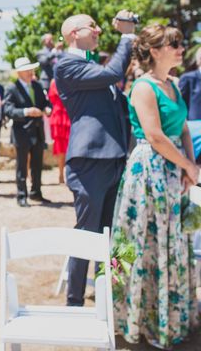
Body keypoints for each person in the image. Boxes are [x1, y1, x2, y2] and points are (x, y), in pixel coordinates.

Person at [112, 24, 199, 348]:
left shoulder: (174, 84)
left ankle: (171, 315)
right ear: (154, 51)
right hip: (150, 171)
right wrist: (187, 165)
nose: (180, 48)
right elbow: (154, 136)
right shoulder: (143, 87)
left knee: (174, 240)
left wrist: (190, 167)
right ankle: (136, 318)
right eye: (172, 43)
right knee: (142, 242)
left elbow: (184, 130)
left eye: (180, 42)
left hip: (175, 170)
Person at [54, 10, 136, 307]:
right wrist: (126, 37)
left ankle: (108, 297)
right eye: (94, 26)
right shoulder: (67, 65)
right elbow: (114, 73)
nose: (100, 30)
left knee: (114, 233)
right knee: (87, 232)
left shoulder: (91, 66)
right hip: (89, 160)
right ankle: (74, 301)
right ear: (74, 32)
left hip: (114, 157)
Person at [4, 57, 52, 207]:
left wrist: (48, 108)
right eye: (28, 70)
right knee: (22, 166)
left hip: (37, 132)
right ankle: (21, 195)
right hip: (22, 133)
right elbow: (8, 110)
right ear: (20, 73)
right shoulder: (12, 88)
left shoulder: (37, 86)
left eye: (31, 69)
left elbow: (46, 103)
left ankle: (36, 192)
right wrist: (26, 112)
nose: (31, 72)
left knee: (37, 165)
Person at [47, 78, 70, 184]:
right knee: (62, 146)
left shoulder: (54, 81)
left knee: (66, 146)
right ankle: (62, 174)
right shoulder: (56, 81)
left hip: (64, 113)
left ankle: (63, 174)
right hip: (61, 114)